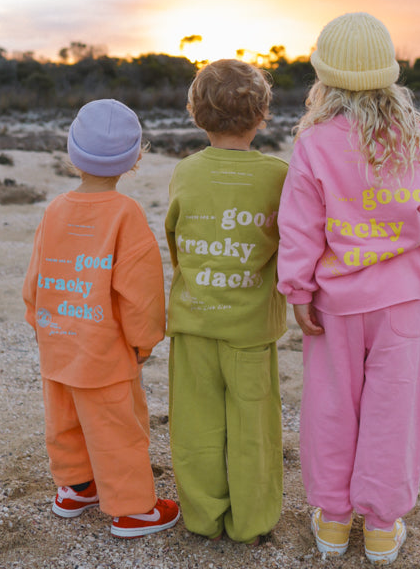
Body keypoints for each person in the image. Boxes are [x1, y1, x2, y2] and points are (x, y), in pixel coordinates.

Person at [277, 13, 420, 565]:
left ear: (324, 79)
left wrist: (297, 290)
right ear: (390, 75)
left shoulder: (315, 143)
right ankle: (383, 528)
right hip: (405, 305)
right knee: (396, 410)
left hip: (336, 304)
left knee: (332, 407)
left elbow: (298, 225)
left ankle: (335, 523)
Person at [22, 98, 180, 539]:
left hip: (57, 339)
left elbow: (36, 275)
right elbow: (140, 288)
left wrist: (39, 320)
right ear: (133, 160)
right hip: (104, 351)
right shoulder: (124, 214)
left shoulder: (55, 209)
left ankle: (75, 488)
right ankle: (134, 510)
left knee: (64, 419)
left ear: (73, 153)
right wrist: (143, 341)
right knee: (117, 428)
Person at [165, 59, 288, 545]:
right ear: (262, 115)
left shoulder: (186, 172)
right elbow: (289, 245)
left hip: (194, 322)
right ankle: (252, 522)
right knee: (252, 428)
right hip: (251, 329)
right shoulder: (279, 174)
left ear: (197, 113)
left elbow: (175, 241)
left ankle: (201, 517)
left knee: (195, 425)